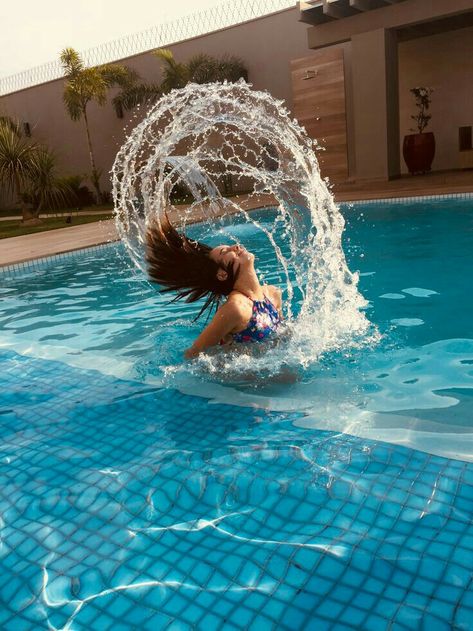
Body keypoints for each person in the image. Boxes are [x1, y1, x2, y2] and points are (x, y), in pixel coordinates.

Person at [146, 215, 282, 359]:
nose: (235, 247)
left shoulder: (273, 294)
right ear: (222, 274)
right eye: (225, 252)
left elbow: (282, 336)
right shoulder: (236, 308)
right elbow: (193, 354)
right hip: (244, 379)